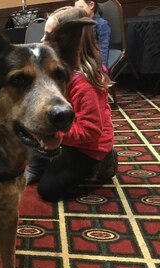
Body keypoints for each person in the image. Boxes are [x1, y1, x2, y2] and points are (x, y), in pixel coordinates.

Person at [26, 6, 117, 202]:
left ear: (69, 42)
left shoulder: (84, 83)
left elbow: (91, 131)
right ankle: (41, 163)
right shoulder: (53, 72)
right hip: (65, 134)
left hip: (89, 146)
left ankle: (105, 161)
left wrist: (53, 134)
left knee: (48, 190)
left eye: (48, 36)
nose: (42, 41)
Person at [74, 0, 111, 67]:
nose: (77, 13)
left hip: (95, 60)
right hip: (83, 59)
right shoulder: (79, 23)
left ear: (91, 5)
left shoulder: (102, 24)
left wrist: (102, 71)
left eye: (80, 8)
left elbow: (103, 50)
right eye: (75, 10)